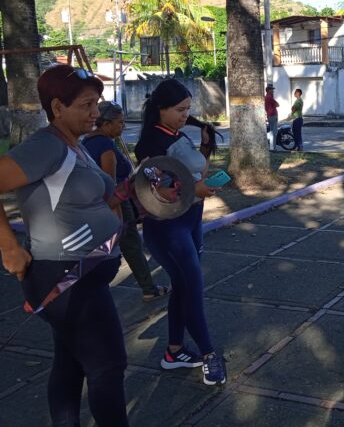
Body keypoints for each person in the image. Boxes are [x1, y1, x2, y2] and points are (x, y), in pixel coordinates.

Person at [0, 64, 129, 425]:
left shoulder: (75, 145)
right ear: (57, 107)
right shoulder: (45, 146)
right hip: (65, 277)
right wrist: (9, 247)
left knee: (70, 362)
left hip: (85, 273)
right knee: (108, 365)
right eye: (87, 104)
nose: (95, 112)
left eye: (97, 103)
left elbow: (96, 200)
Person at [134, 79, 227, 386]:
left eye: (188, 109)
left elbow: (194, 172)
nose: (185, 115)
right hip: (168, 227)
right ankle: (210, 355)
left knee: (183, 286)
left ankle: (174, 351)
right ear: (161, 108)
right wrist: (194, 189)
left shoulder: (177, 136)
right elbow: (156, 189)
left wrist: (205, 145)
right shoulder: (150, 142)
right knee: (192, 289)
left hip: (190, 220)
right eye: (179, 109)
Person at [82, 101, 170, 302]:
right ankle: (149, 288)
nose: (123, 126)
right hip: (116, 203)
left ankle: (89, 286)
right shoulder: (106, 146)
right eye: (120, 122)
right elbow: (109, 184)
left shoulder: (86, 142)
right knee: (131, 244)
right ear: (106, 124)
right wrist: (138, 173)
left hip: (94, 204)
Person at [264, 84, 279, 151]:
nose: (272, 90)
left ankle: (271, 147)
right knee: (274, 132)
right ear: (268, 90)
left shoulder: (266, 97)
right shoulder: (270, 97)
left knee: (271, 131)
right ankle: (273, 148)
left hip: (269, 115)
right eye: (271, 89)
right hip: (273, 115)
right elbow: (277, 104)